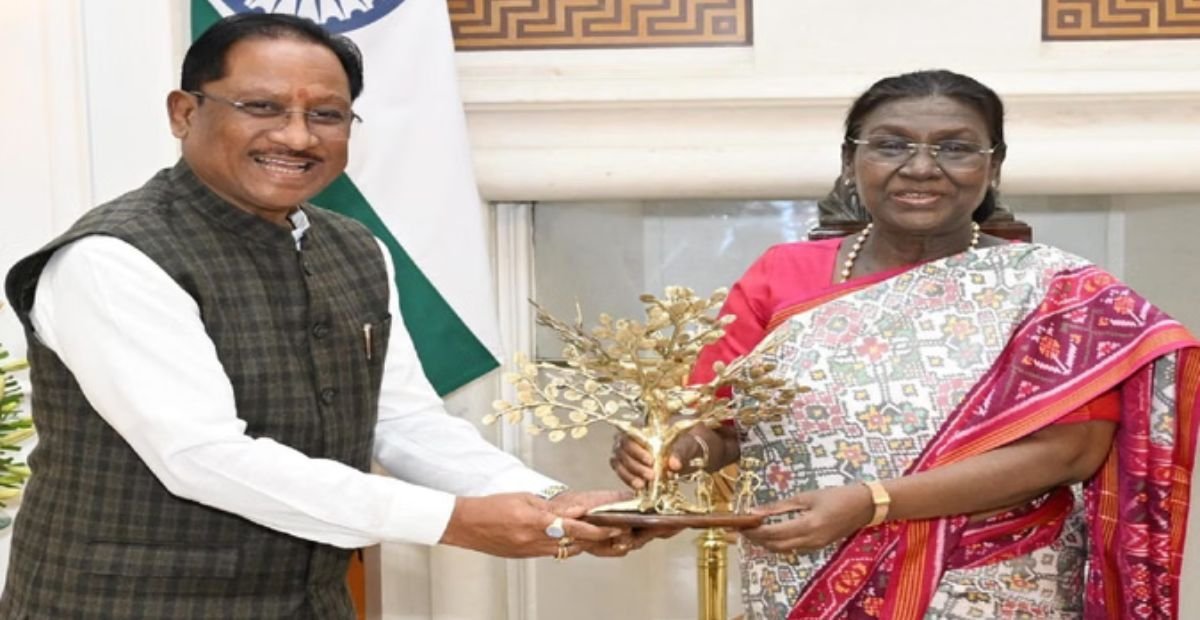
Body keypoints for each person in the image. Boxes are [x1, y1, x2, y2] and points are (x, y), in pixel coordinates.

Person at [1, 13, 642, 619]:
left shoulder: (355, 247)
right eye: (262, 107)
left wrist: (553, 502)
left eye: (327, 115)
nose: (297, 136)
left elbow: (402, 422)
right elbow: (201, 455)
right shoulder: (113, 257)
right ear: (184, 112)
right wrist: (454, 520)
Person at [612, 69, 1199, 619]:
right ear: (850, 161)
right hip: (803, 570)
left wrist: (872, 502)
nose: (921, 168)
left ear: (993, 167)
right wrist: (671, 450)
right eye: (890, 145)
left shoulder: (1049, 289)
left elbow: (1069, 453)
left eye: (955, 148)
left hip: (994, 580)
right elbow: (722, 425)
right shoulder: (781, 274)